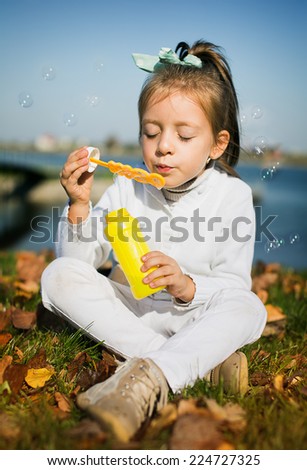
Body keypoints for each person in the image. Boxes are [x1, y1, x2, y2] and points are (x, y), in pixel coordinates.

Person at [41, 40, 267, 442]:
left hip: (195, 316)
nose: (163, 146)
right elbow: (81, 261)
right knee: (58, 275)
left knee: (249, 307)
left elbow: (233, 284)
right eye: (151, 132)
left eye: (183, 136)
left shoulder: (232, 197)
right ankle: (197, 364)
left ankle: (155, 372)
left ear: (216, 144)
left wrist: (186, 286)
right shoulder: (127, 187)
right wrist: (78, 205)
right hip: (132, 313)